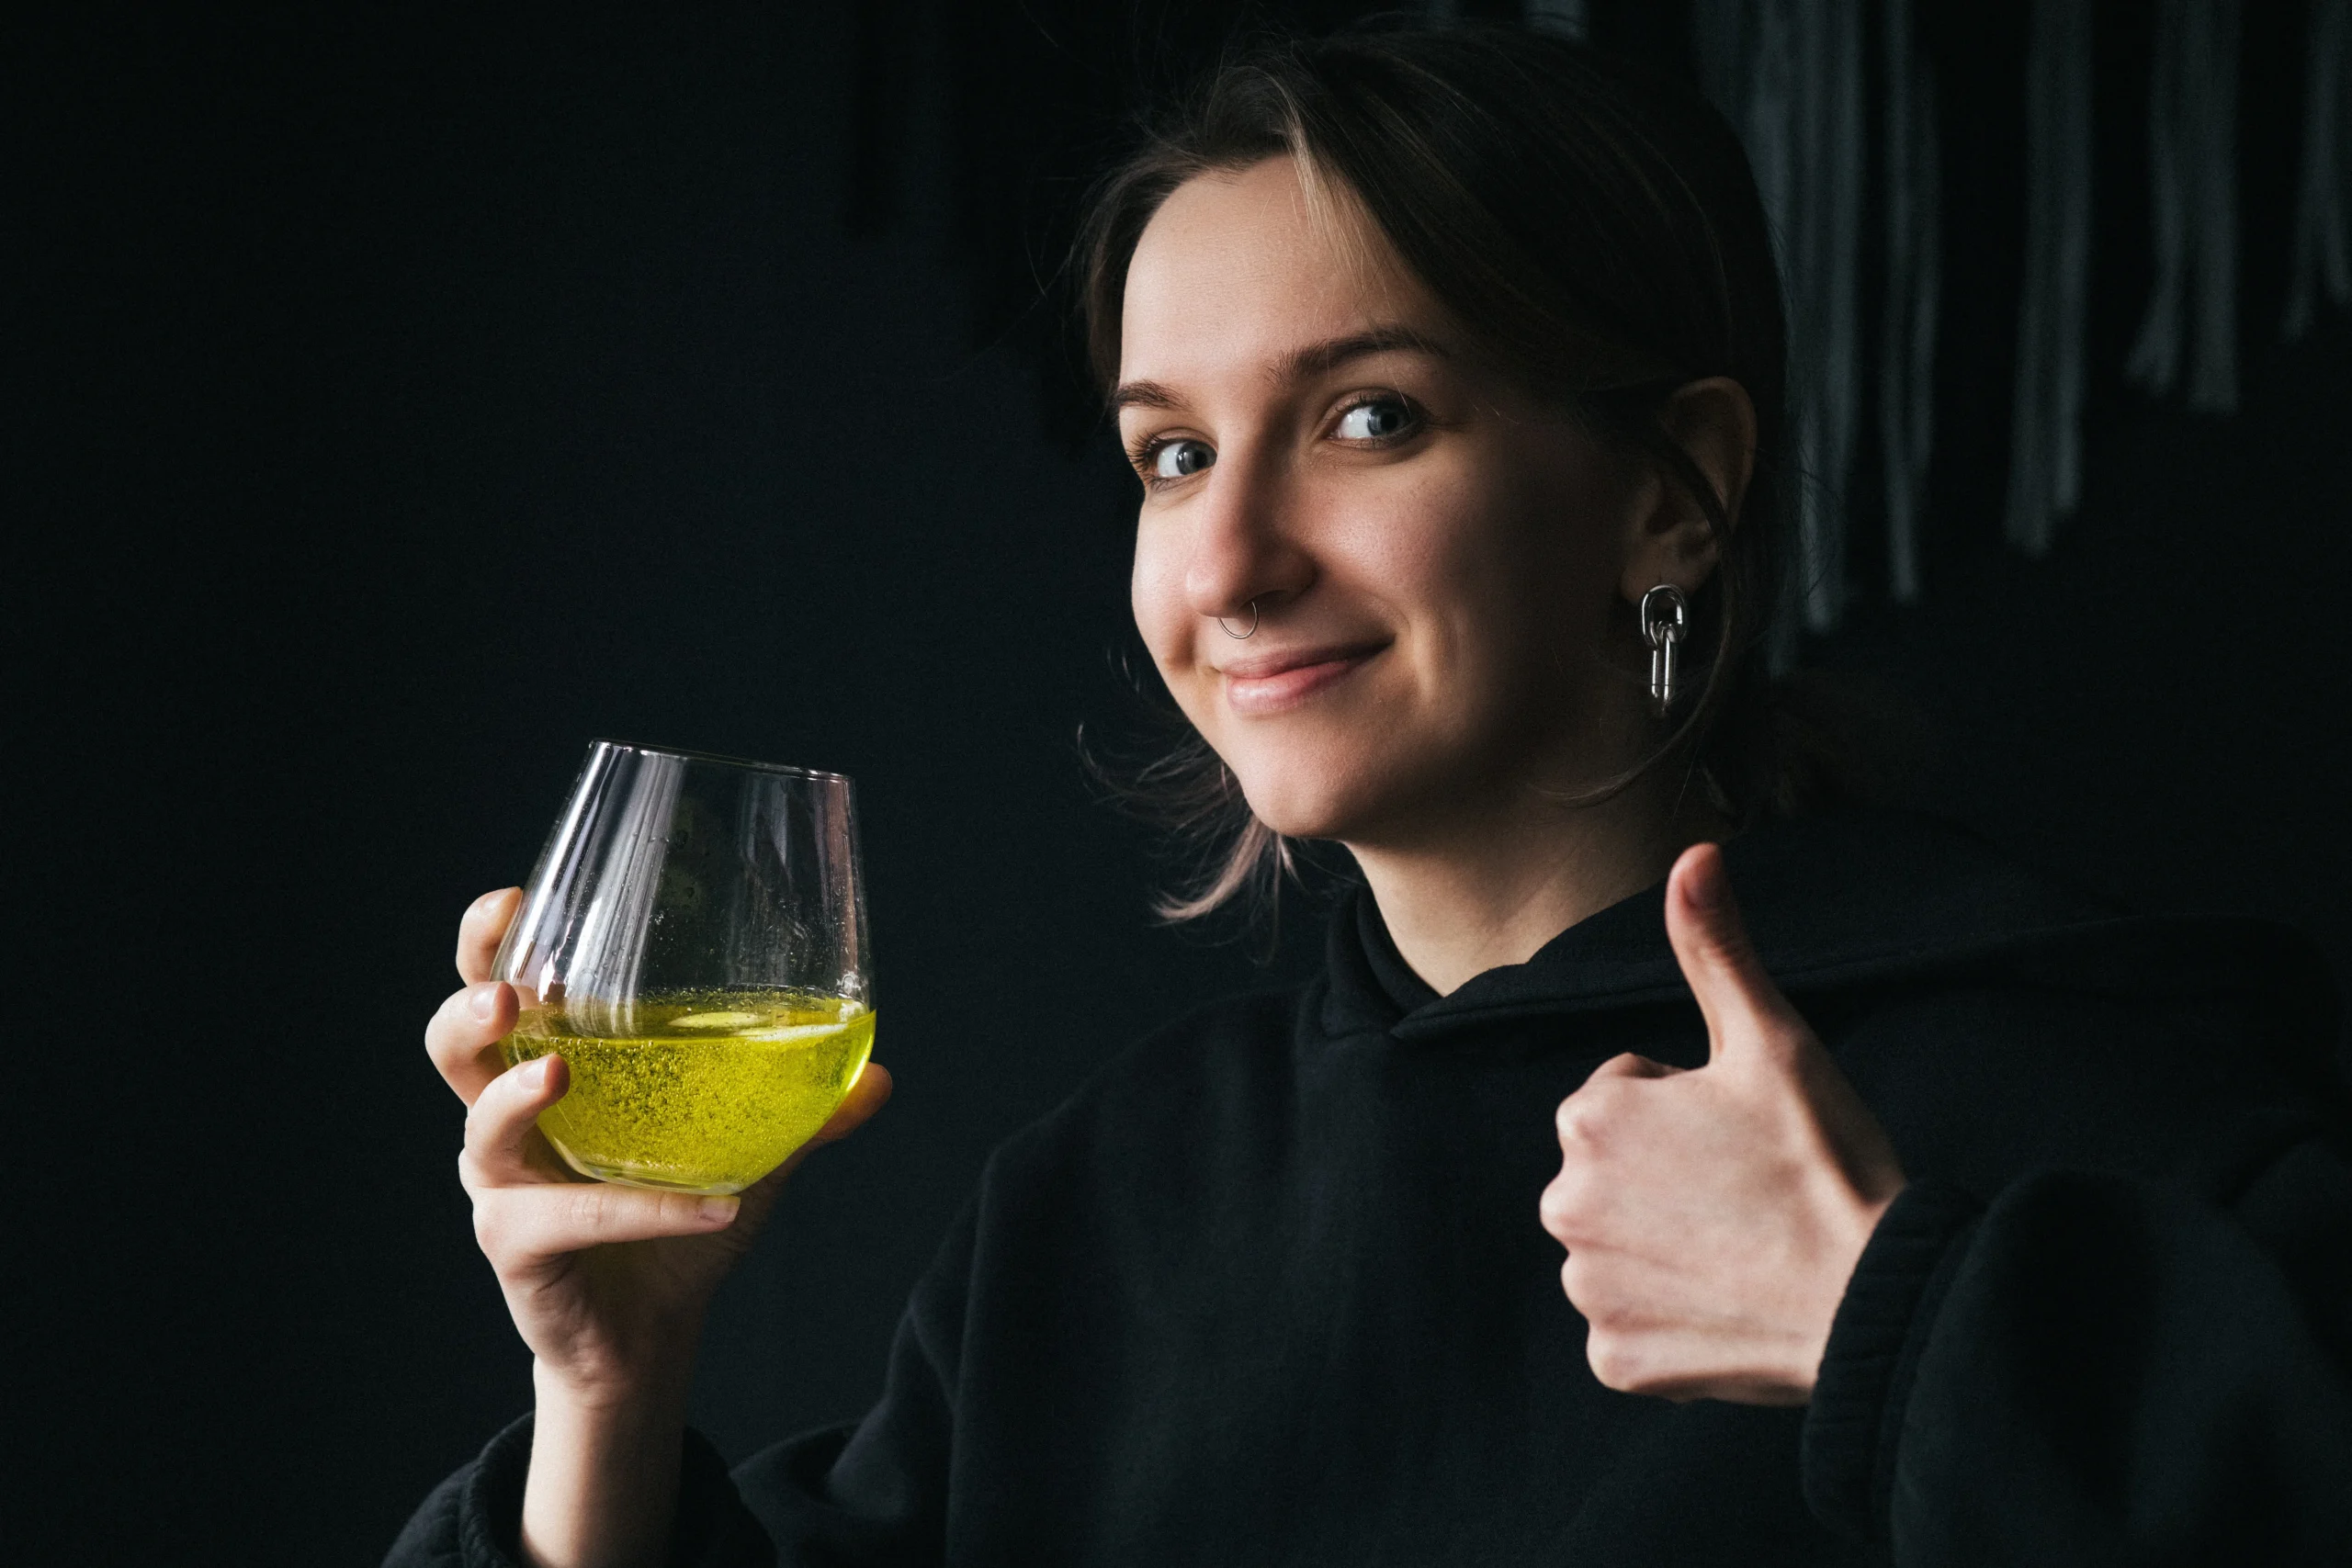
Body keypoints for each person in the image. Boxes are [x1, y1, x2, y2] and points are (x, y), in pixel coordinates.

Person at [390, 25, 2352, 1568]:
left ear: (1670, 492)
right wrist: (609, 1393)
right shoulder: (1109, 1198)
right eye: (1168, 455)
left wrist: (1898, 1327)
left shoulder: (2106, 1099)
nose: (1227, 560)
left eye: (1365, 419)